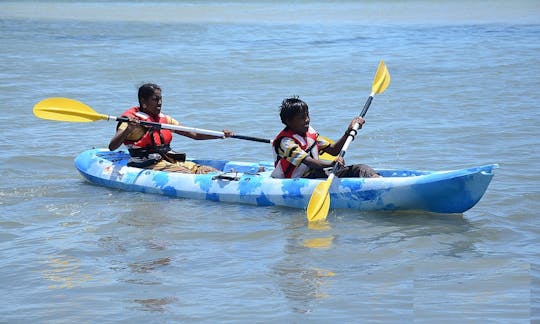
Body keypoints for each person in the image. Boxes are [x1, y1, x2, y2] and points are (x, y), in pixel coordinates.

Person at [109, 83, 234, 174]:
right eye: (155, 99)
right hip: (146, 164)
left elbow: (195, 135)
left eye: (160, 99)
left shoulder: (165, 120)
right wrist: (128, 130)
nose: (159, 103)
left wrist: (220, 134)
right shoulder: (131, 121)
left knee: (207, 170)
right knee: (187, 174)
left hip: (168, 159)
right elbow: (112, 146)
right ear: (143, 101)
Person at [271, 97, 380, 179]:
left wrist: (349, 131)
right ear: (288, 121)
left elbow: (333, 150)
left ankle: (377, 180)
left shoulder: (310, 133)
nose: (307, 120)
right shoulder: (285, 142)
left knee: (360, 168)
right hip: (297, 180)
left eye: (307, 115)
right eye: (301, 118)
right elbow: (308, 161)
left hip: (317, 173)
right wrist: (332, 163)